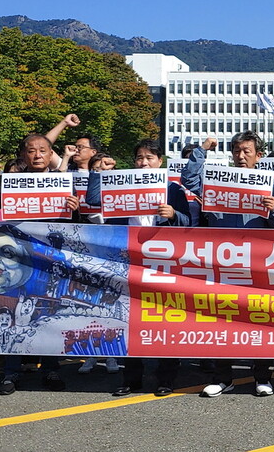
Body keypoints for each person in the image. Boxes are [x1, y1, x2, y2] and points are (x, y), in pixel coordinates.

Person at [181, 131, 274, 397]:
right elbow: (189, 180)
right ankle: (223, 377)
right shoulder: (218, 181)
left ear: (258, 156)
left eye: (247, 151)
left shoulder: (270, 184)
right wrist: (202, 150)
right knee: (221, 321)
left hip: (256, 264)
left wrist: (273, 208)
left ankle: (262, 376)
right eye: (237, 151)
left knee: (259, 321)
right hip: (222, 263)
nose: (241, 156)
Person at [85, 139, 193, 396]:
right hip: (129, 261)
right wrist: (98, 173)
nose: (144, 163)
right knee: (130, 319)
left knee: (166, 320)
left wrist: (174, 215)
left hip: (164, 264)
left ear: (160, 162)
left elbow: (190, 224)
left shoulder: (173, 190)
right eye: (139, 158)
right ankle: (131, 378)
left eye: (149, 158)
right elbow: (92, 199)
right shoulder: (121, 183)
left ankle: (166, 378)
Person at [0, 133, 80, 395]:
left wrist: (74, 208)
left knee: (48, 314)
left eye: (43, 151)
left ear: (50, 154)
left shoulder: (61, 182)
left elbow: (70, 225)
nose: (37, 156)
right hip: (14, 260)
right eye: (31, 151)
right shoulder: (7, 183)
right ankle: (11, 372)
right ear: (23, 155)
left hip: (46, 261)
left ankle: (51, 369)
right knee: (12, 315)